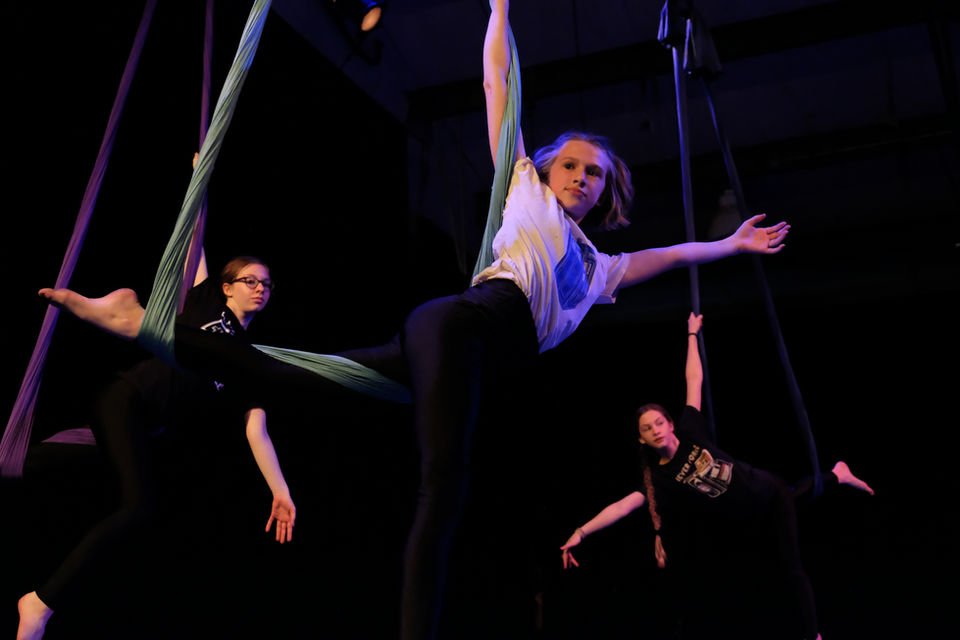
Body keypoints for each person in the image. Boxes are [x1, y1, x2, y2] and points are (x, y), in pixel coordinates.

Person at [32, 3, 791, 637]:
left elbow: (666, 254)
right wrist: (498, 8)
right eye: (573, 166)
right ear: (548, 166)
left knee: (288, 379)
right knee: (444, 482)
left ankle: (156, 332)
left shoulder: (600, 269)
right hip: (461, 329)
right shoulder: (522, 184)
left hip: (457, 352)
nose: (583, 180)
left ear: (607, 191)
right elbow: (498, 79)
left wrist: (728, 243)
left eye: (595, 175)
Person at [17, 254, 295, 640]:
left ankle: (11, 464)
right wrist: (199, 193)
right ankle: (39, 603)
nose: (262, 289)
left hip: (145, 428)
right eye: (252, 281)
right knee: (138, 507)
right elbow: (193, 247)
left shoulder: (251, 362)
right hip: (127, 400)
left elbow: (256, 430)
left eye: (267, 284)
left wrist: (280, 491)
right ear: (227, 288)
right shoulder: (207, 303)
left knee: (45, 462)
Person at [559, 312, 875, 640]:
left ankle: (814, 635)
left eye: (658, 422)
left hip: (766, 492)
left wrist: (692, 334)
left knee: (790, 567)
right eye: (646, 429)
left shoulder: (691, 429)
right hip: (748, 519)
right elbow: (621, 507)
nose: (655, 430)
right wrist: (582, 532)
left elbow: (693, 380)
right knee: (781, 531)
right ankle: (837, 475)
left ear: (669, 423)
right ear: (642, 440)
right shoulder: (659, 480)